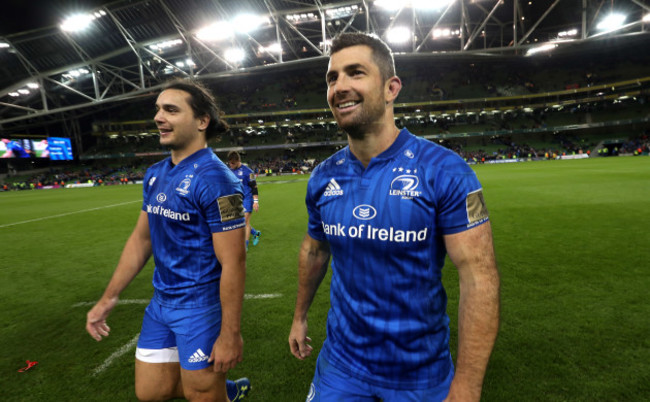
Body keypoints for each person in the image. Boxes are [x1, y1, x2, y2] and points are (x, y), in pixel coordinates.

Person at [288, 33, 500, 401]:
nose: (340, 86)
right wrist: (299, 316)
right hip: (341, 366)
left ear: (391, 88)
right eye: (332, 77)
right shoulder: (323, 176)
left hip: (421, 373)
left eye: (355, 73)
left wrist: (466, 387)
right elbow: (315, 250)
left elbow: (479, 279)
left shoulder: (445, 171)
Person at [86, 79, 251, 402]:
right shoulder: (155, 173)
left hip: (200, 306)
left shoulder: (219, 180)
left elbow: (234, 261)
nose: (158, 117)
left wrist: (230, 335)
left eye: (171, 110)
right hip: (161, 302)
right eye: (158, 109)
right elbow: (142, 238)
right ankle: (223, 390)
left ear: (202, 121)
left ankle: (220, 392)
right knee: (151, 392)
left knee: (201, 395)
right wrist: (108, 298)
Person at [227, 151, 261, 251]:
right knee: (239, 222)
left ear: (238, 161)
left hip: (247, 199)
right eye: (229, 163)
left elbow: (254, 187)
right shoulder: (229, 171)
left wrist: (256, 201)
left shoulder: (249, 172)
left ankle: (245, 245)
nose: (231, 165)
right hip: (236, 199)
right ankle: (255, 233)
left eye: (233, 163)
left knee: (244, 222)